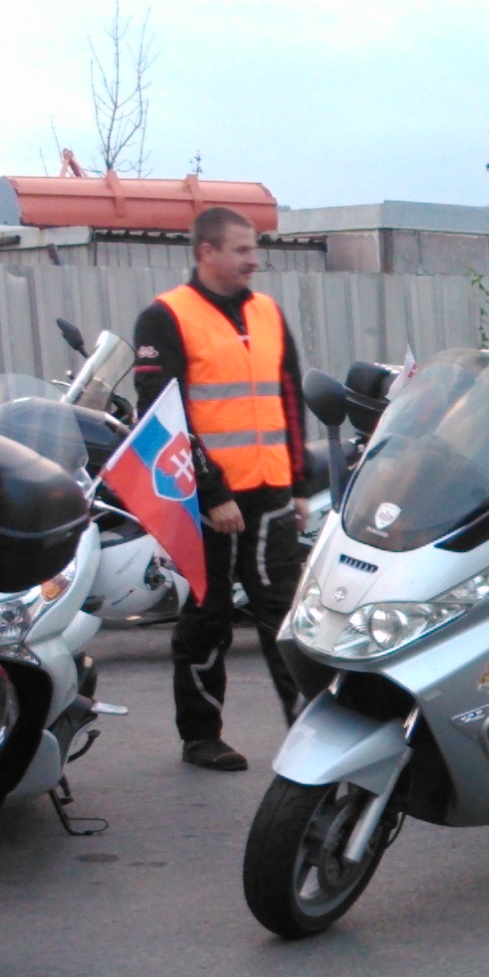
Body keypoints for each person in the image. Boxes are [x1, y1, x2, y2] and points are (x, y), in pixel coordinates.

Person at [130, 205, 312, 771]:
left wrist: (300, 484)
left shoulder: (268, 313)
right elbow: (161, 415)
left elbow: (289, 398)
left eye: (255, 249)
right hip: (209, 500)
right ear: (206, 252)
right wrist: (211, 493)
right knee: (208, 617)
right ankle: (201, 736)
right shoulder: (166, 317)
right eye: (241, 250)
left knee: (285, 619)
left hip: (272, 491)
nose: (254, 260)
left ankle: (313, 738)